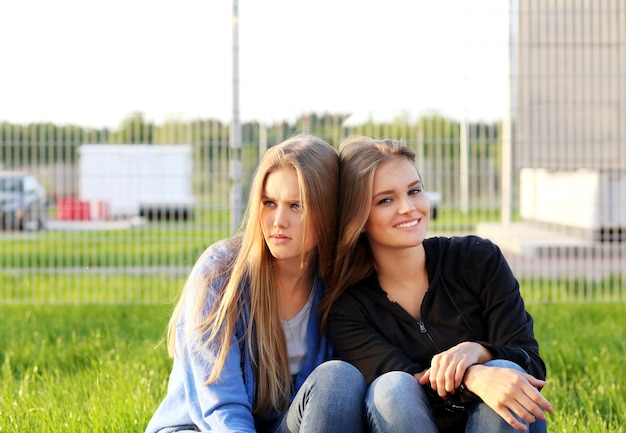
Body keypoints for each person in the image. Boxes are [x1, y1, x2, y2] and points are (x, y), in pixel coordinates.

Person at [321, 136, 553, 433]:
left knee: (504, 369)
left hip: (498, 425)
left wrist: (477, 352)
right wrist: (471, 377)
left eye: (414, 191)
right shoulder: (348, 307)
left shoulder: (477, 259)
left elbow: (531, 364)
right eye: (386, 200)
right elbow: (405, 383)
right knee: (392, 388)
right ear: (358, 217)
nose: (409, 207)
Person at [146, 134, 366, 433]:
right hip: (205, 428)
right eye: (269, 203)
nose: (278, 220)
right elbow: (221, 407)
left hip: (281, 426)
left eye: (296, 206)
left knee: (339, 379)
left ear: (327, 212)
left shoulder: (338, 285)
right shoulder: (220, 274)